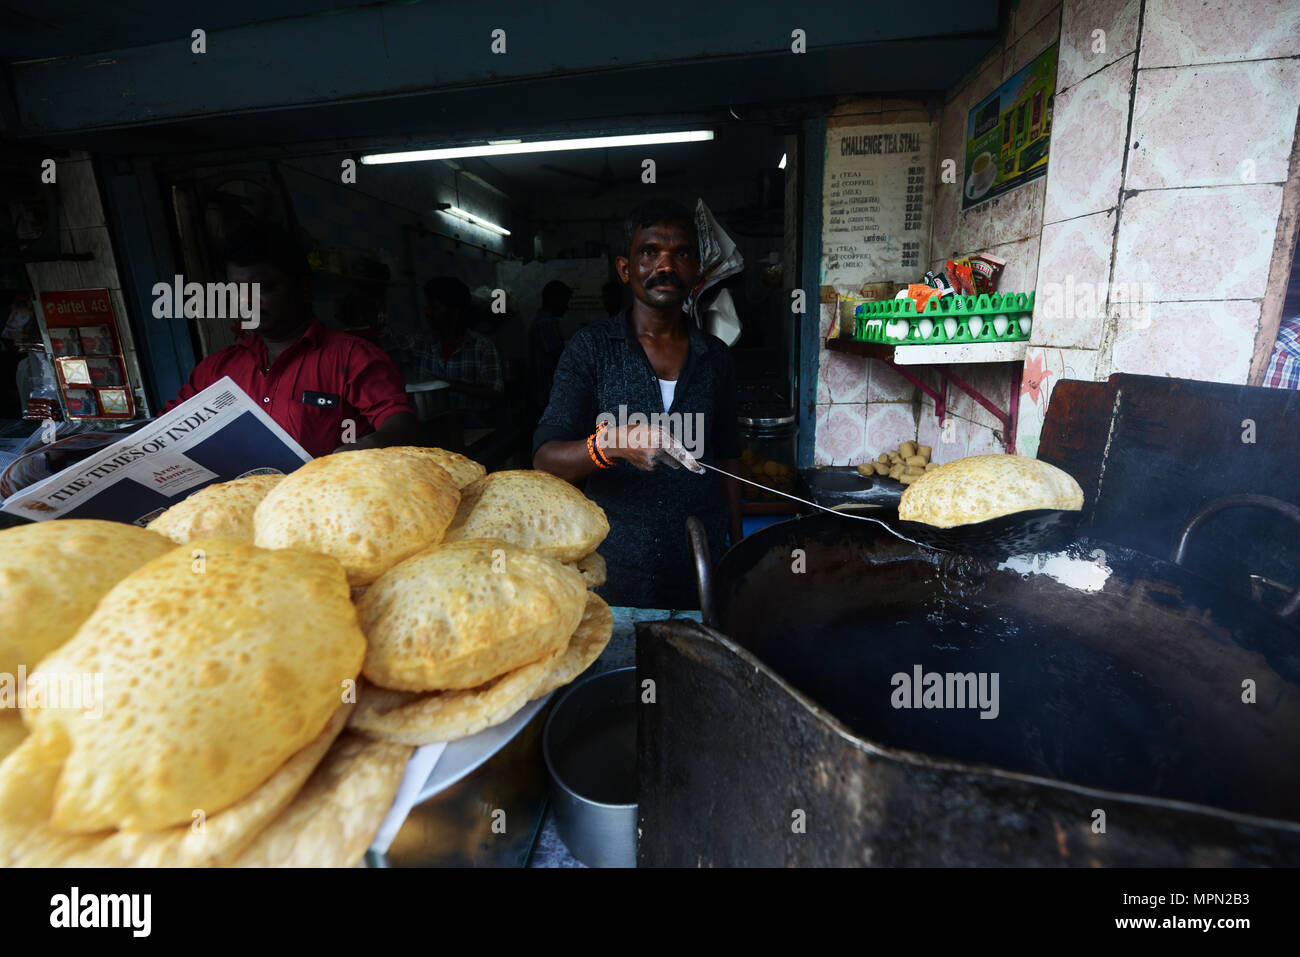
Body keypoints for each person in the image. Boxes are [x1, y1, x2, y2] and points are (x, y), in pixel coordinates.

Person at [533, 198, 743, 609]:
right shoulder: (590, 350)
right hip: (615, 567)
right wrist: (611, 445)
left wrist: (736, 546)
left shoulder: (715, 356)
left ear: (696, 268)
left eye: (681, 253)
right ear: (625, 268)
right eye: (649, 252)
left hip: (700, 562)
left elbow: (730, 457)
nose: (665, 266)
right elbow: (545, 458)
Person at [165, 223, 418, 457]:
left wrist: (371, 445)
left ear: (304, 289)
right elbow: (167, 429)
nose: (247, 302)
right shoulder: (215, 370)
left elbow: (399, 423)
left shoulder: (353, 358)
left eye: (263, 288)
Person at [412, 276, 504, 428]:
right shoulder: (420, 342)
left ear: (455, 313)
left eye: (435, 307)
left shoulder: (482, 346)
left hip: (473, 426)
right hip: (433, 427)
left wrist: (445, 384)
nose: (427, 312)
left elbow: (495, 392)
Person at [528, 280, 571, 417]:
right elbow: (559, 359)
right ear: (554, 300)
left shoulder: (543, 321)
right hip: (547, 393)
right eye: (565, 301)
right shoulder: (546, 324)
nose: (566, 307)